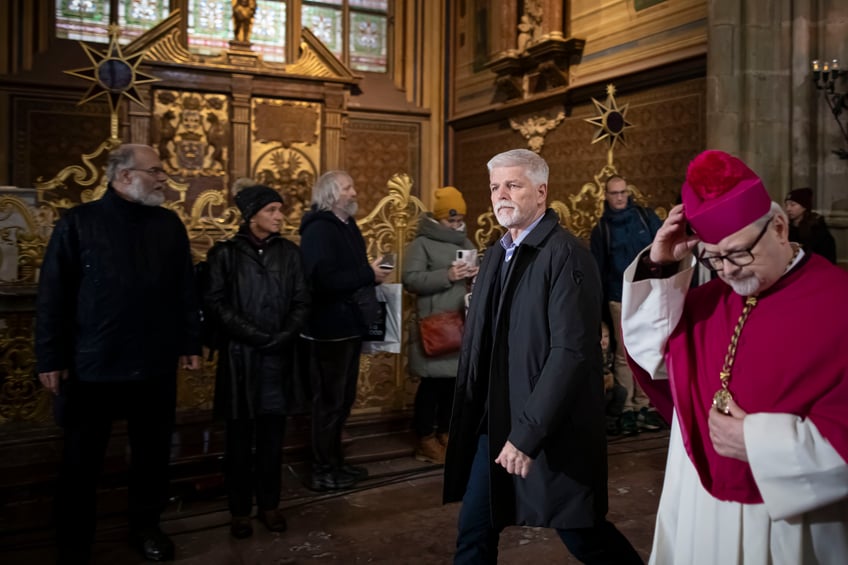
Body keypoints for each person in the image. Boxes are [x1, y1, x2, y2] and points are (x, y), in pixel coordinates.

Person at [621, 150, 848, 565]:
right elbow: (649, 356)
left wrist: (760, 444)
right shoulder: (705, 302)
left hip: (790, 521)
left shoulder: (839, 302)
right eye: (713, 258)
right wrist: (661, 265)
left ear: (779, 227)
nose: (725, 270)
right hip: (699, 509)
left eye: (737, 253)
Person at [443, 149, 643, 564]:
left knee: (582, 533)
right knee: (474, 531)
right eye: (495, 187)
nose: (501, 196)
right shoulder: (499, 251)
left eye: (513, 185)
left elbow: (569, 354)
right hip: (495, 420)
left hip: (548, 427)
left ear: (541, 191)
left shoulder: (565, 255)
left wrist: (527, 433)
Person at [35, 144, 201, 564]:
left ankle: (147, 526)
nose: (164, 178)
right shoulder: (79, 222)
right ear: (125, 176)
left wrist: (189, 343)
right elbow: (53, 295)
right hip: (94, 362)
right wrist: (49, 358)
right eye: (155, 171)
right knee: (82, 460)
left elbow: (185, 289)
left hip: (155, 361)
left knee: (152, 454)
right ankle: (75, 541)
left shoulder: (168, 224)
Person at [203, 184, 310, 539]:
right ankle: (239, 510)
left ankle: (269, 505)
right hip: (240, 360)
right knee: (238, 441)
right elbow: (217, 305)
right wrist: (257, 336)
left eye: (280, 209)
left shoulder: (290, 254)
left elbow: (301, 300)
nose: (280, 216)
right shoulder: (226, 255)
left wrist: (283, 335)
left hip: (278, 359)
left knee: (271, 440)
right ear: (252, 216)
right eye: (272, 210)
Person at [299, 170, 392, 491]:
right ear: (330, 194)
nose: (355, 192)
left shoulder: (347, 225)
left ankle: (336, 462)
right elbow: (323, 280)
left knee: (343, 399)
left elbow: (351, 272)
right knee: (328, 402)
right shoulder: (319, 230)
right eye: (348, 188)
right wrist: (368, 273)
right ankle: (322, 468)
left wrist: (371, 272)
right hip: (327, 329)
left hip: (349, 324)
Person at [402, 186, 479, 464]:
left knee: (453, 385)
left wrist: (475, 274)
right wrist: (447, 274)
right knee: (431, 387)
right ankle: (425, 438)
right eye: (451, 220)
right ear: (438, 218)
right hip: (434, 327)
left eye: (459, 220)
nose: (456, 225)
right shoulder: (421, 244)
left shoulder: (466, 243)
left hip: (461, 324)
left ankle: (446, 433)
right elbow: (411, 279)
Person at [589, 175, 665, 436]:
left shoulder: (645, 217)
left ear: (628, 193)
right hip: (618, 296)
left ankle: (644, 405)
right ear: (607, 196)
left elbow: (662, 247)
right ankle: (627, 408)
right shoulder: (602, 230)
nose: (619, 197)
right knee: (624, 353)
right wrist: (598, 313)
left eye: (622, 192)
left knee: (646, 349)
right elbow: (597, 270)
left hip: (648, 294)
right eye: (614, 193)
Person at [784, 187, 837, 264]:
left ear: (804, 207)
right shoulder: (787, 228)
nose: (788, 209)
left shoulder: (818, 230)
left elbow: (827, 257)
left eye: (792, 205)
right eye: (786, 205)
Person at [601, 322, 626, 437]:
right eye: (601, 337)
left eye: (606, 336)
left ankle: (611, 421)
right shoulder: (594, 353)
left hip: (609, 383)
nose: (604, 340)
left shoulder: (610, 353)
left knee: (621, 392)